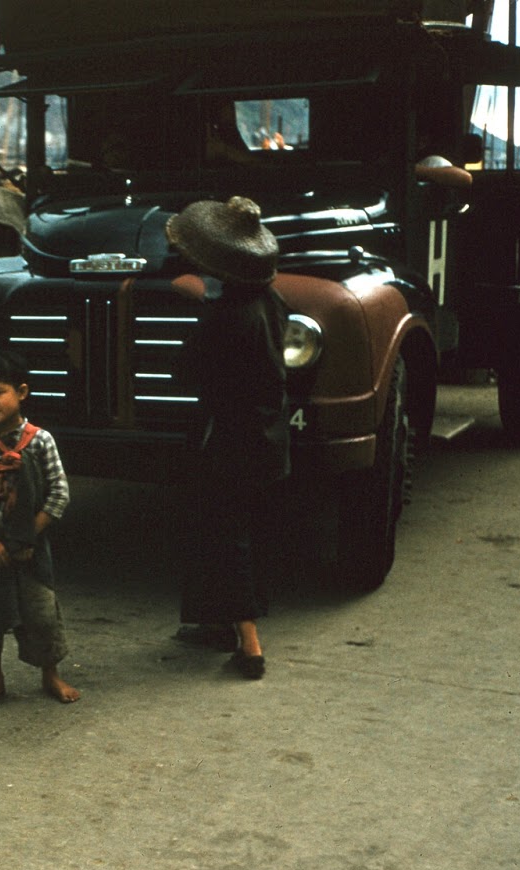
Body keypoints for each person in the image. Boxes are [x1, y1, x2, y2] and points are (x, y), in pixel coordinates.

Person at [165, 195, 290, 680]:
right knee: (239, 533)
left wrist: (197, 305)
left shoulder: (223, 317)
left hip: (228, 442)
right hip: (267, 437)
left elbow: (186, 372)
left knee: (224, 535)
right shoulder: (271, 302)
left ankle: (250, 642)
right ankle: (215, 625)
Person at [0, 352, 79, 706]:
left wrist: (27, 537)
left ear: (21, 392)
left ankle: (50, 675)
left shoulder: (41, 440)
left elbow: (59, 496)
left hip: (31, 549)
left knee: (41, 612)